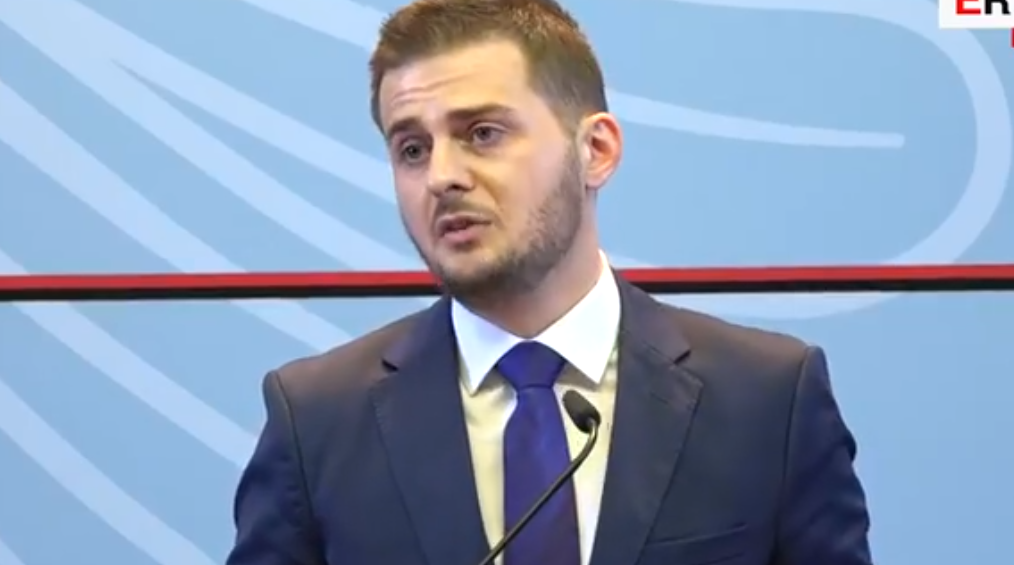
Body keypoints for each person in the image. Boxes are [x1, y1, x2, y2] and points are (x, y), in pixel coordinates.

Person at [226, 0, 874, 563]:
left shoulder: (767, 400)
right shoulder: (318, 421)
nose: (442, 176)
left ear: (596, 151)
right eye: (412, 149)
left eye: (482, 133)